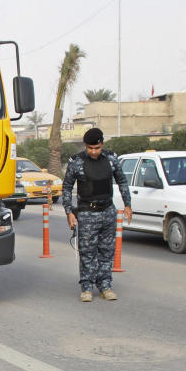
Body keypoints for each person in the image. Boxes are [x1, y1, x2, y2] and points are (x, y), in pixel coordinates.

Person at [61, 127, 133, 301]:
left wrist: (128, 204)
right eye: (90, 148)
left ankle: (105, 286)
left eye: (97, 148)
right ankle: (86, 287)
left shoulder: (111, 160)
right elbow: (67, 187)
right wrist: (69, 211)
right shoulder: (77, 162)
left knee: (107, 251)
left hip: (108, 211)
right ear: (86, 146)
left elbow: (122, 181)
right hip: (87, 212)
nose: (93, 152)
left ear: (102, 144)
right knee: (87, 251)